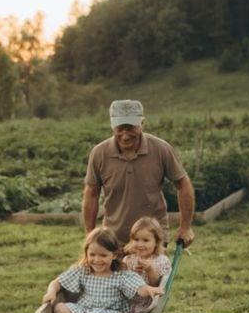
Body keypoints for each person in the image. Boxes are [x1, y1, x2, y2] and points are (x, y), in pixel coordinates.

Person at [81, 99, 195, 248]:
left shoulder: (161, 149)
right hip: (114, 239)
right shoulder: (99, 153)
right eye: (120, 128)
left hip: (152, 239)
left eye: (130, 128)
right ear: (112, 125)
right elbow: (91, 194)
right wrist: (90, 234)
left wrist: (185, 227)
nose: (125, 135)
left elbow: (183, 184)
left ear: (142, 123)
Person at [42, 227, 164, 313]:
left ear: (114, 255)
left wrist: (149, 289)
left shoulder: (121, 276)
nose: (97, 260)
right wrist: (51, 292)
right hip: (84, 311)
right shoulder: (83, 271)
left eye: (103, 255)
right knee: (60, 308)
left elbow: (139, 288)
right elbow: (57, 282)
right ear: (86, 253)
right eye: (92, 255)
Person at [122, 216, 172, 311]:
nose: (140, 244)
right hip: (128, 303)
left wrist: (149, 270)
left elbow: (157, 286)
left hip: (148, 305)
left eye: (145, 240)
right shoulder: (129, 260)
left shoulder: (161, 261)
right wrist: (131, 272)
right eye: (136, 240)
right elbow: (122, 282)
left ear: (156, 242)